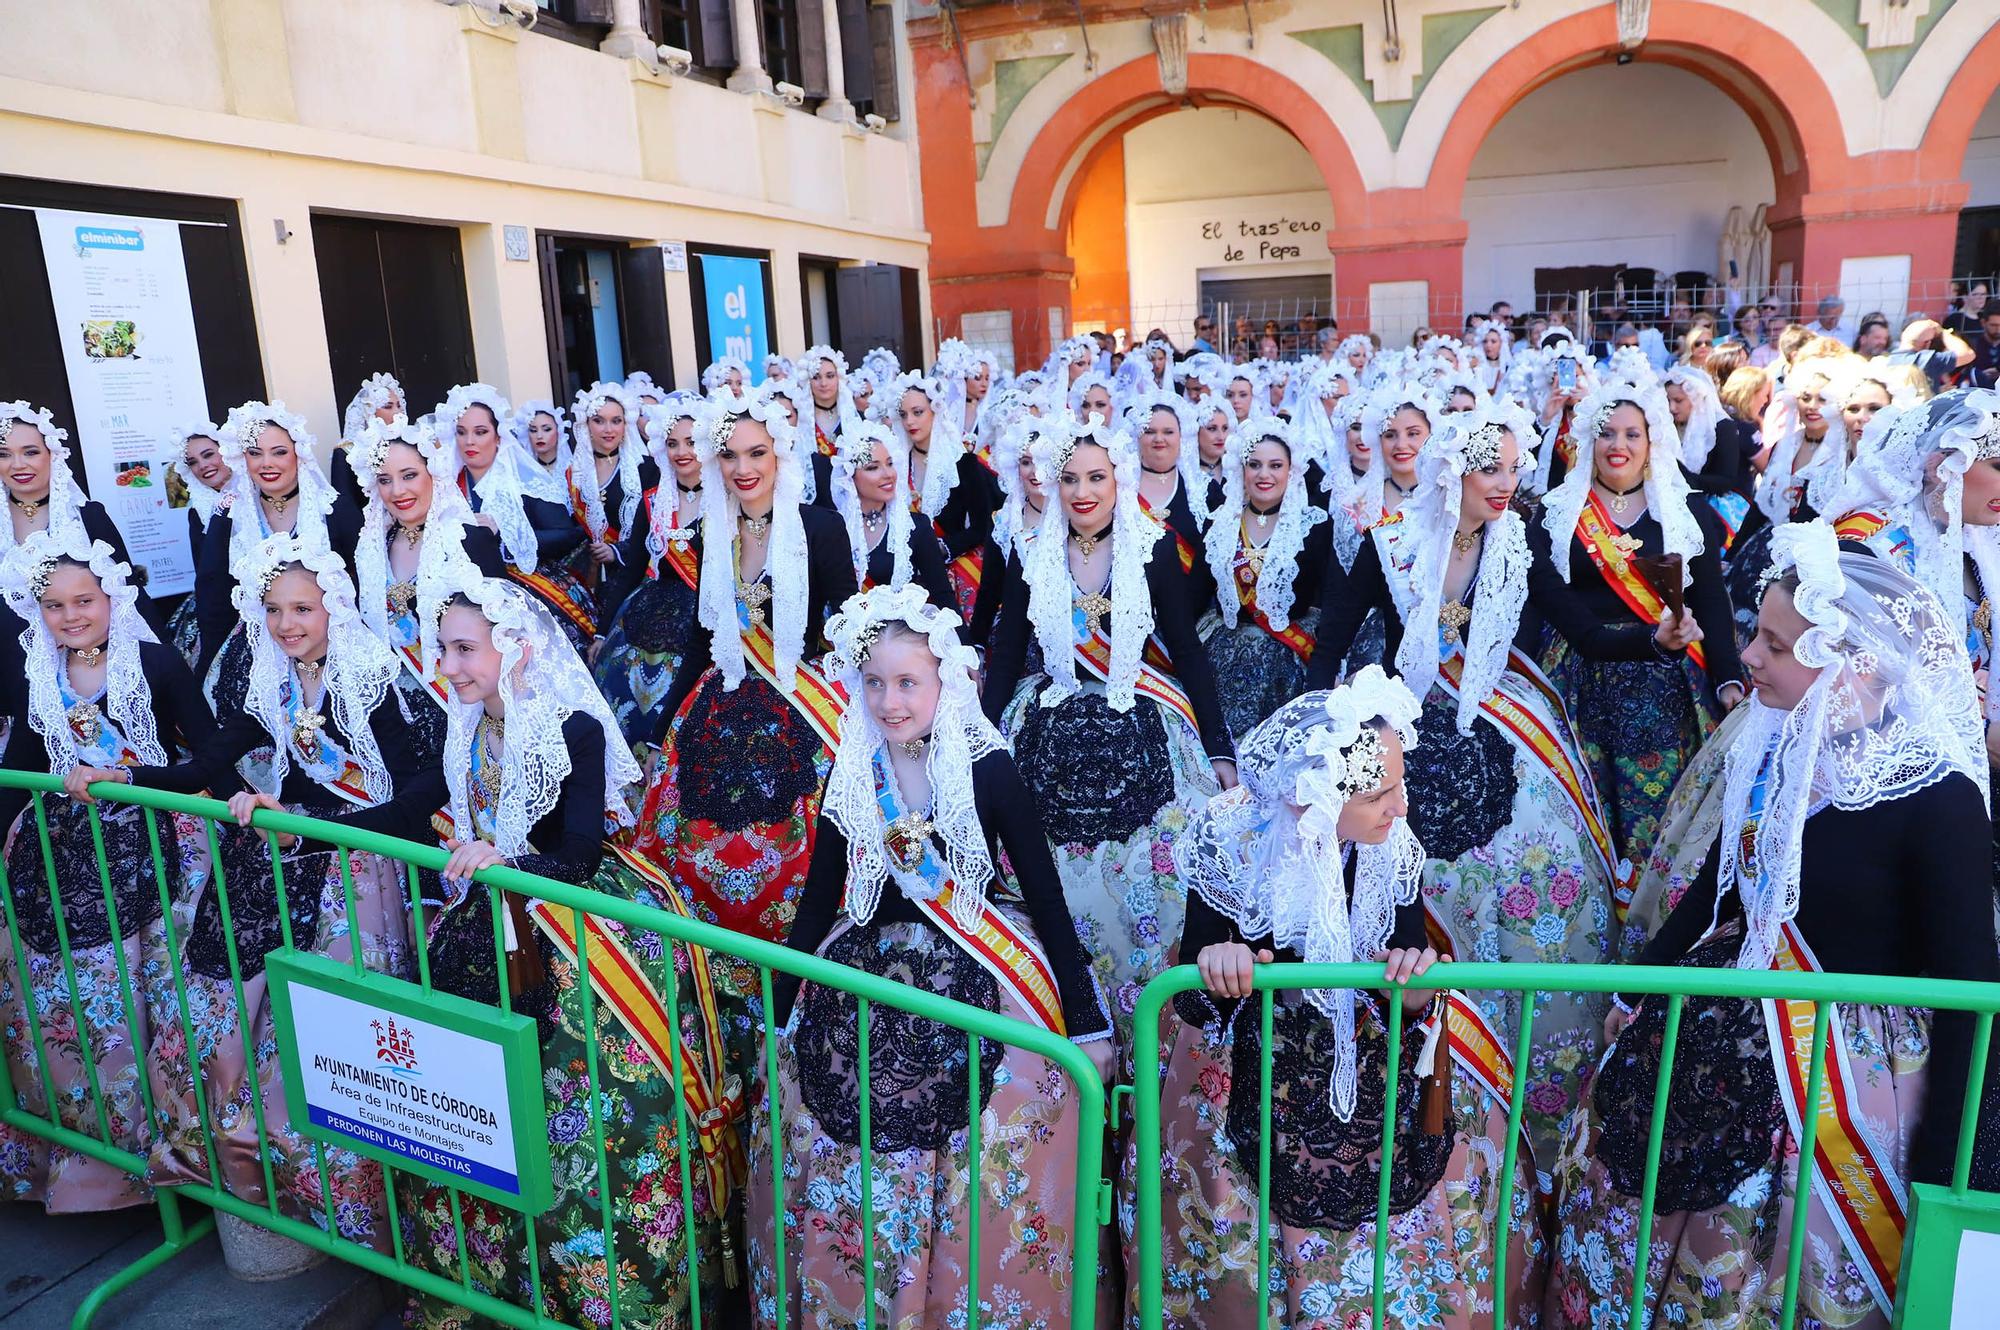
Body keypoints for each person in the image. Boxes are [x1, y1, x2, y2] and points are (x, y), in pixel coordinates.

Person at [1546, 526, 1996, 1329]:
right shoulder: (1783, 747)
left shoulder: (1941, 800)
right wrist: (1643, 983)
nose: (1748, 656)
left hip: (1837, 1103)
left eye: (1776, 645)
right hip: (1707, 1056)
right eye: (1756, 632)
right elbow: (1718, 891)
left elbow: (1969, 990)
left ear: (1852, 665)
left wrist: (1946, 1166)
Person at [1138, 670, 1545, 1327]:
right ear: (1318, 798)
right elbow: (1192, 996)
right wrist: (1218, 965)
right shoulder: (1230, 842)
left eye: (1399, 783)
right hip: (1246, 1070)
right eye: (1382, 793)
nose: (1403, 806)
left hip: (1374, 1068)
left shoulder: (1391, 850)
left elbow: (1406, 973)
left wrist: (1416, 984)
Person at [754, 586, 1112, 1328]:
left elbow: (1044, 894)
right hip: (859, 978)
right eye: (875, 682)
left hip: (980, 971)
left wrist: (1084, 1022)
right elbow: (820, 899)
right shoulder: (852, 773)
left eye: (907, 681)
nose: (890, 700)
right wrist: (781, 1015)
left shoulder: (990, 771)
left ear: (947, 681)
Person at [402, 571, 748, 1329]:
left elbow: (583, 853)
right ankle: (488, 1290)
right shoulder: (463, 725)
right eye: (443, 648)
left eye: (465, 649)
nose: (450, 665)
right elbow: (413, 805)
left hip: (579, 927)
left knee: (601, 1119)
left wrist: (504, 865)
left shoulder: (574, 728)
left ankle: (605, 1300)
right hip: (490, 917)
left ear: (514, 648)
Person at [1310, 405, 1660, 1148]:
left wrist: (1655, 638)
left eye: (1513, 468)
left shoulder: (1519, 540)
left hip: (1509, 723)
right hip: (1399, 726)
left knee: (1542, 883)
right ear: (1451, 472)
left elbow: (1586, 634)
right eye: (1490, 469)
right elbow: (1330, 643)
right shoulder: (1393, 543)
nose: (1508, 483)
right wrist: (1312, 734)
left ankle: (1533, 1096)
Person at [116, 535, 434, 1245]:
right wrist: (142, 783)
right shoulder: (273, 681)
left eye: (302, 609)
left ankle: (345, 1208)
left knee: (329, 1037)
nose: (287, 624)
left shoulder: (373, 678)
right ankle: (240, 1177)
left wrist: (326, 827)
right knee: (219, 1011)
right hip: (281, 861)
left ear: (334, 609)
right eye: (273, 611)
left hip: (357, 872)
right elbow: (211, 760)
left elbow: (424, 789)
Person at [982, 414, 1236, 1053]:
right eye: (1068, 478)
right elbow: (1009, 652)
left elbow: (1187, 650)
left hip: (1144, 720)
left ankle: (1151, 1040)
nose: (1082, 491)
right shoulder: (1030, 549)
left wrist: (1218, 748)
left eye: (1096, 476)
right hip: (1047, 721)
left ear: (1121, 478)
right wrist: (978, 745)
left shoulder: (1151, 548)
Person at [0, 533, 211, 1212]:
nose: (71, 616)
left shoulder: (156, 663)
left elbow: (207, 757)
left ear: (111, 597)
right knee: (74, 1016)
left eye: (84, 600)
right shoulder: (38, 675)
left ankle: (182, 1166)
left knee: (160, 1007)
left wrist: (135, 779)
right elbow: (26, 768)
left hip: (160, 853)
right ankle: (99, 1172)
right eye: (55, 605)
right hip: (61, 859)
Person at [633, 392, 858, 945]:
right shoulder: (714, 531)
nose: (743, 469)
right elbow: (703, 637)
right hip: (719, 699)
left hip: (800, 704)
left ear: (780, 454)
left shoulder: (821, 527)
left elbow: (848, 624)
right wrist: (661, 731)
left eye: (756, 453)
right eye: (730, 456)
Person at [1534, 376, 1744, 868]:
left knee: (1664, 809)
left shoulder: (1686, 508)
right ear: (1589, 440)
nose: (1619, 445)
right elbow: (1551, 602)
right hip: (1581, 675)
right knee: (1585, 805)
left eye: (1632, 433)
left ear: (1653, 440)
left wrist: (1728, 675)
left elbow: (1711, 597)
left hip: (1670, 680)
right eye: (1607, 433)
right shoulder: (1557, 512)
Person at [350, 416, 505, 762]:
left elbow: (503, 633)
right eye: (385, 480)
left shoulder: (469, 539)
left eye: (409, 476)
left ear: (433, 473)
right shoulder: (373, 548)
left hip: (460, 703)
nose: (398, 491)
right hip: (396, 713)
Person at [195, 401, 363, 688]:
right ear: (242, 458)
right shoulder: (230, 516)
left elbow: (361, 584)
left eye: (279, 452)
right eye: (255, 453)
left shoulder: (333, 509)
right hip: (255, 652)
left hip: (333, 648)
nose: (266, 464)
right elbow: (213, 596)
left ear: (298, 454)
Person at [591, 394, 708, 759]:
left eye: (690, 442)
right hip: (652, 608)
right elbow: (631, 569)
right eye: (672, 443)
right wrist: (601, 629)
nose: (681, 451)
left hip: (707, 620)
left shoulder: (727, 499)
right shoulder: (653, 498)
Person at [1199, 416, 1329, 738]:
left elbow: (1331, 599)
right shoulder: (1220, 524)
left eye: (1275, 465)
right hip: (1225, 657)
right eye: (1254, 465)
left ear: (1291, 471)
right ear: (1242, 470)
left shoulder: (1313, 526)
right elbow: (1198, 592)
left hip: (1291, 659)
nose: (1264, 475)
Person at [890, 371, 995, 621]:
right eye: (903, 415)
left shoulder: (963, 462)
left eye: (918, 412)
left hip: (954, 568)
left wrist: (942, 547)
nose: (910, 422)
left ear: (935, 411)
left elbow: (983, 525)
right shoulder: (895, 463)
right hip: (908, 570)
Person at [565, 381, 659, 635]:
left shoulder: (647, 469)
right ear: (586, 425)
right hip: (590, 581)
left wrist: (616, 551)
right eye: (599, 421)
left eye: (616, 421)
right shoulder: (574, 475)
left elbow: (656, 529)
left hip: (637, 575)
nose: (608, 429)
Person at [166, 420, 231, 664]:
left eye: (208, 454)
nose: (203, 465)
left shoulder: (260, 496)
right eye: (193, 462)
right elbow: (205, 573)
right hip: (220, 607)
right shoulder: (198, 513)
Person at [332, 372, 404, 510]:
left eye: (399, 406)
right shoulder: (347, 452)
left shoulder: (406, 447)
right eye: (388, 406)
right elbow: (346, 505)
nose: (398, 412)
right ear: (369, 411)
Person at [1970, 298, 2000, 390]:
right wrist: (1980, 376)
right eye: (1993, 325)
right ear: (1983, 323)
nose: (1998, 330)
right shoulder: (1973, 347)